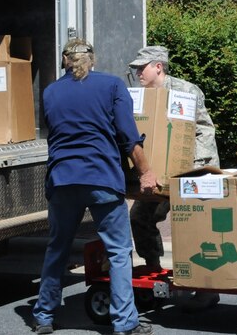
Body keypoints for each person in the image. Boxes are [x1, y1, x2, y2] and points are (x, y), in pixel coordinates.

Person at [32, 38, 156, 335]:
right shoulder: (112, 86)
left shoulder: (50, 92)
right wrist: (146, 172)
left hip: (63, 179)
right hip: (101, 177)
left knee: (57, 248)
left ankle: (44, 316)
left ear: (65, 61)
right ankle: (125, 322)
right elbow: (128, 136)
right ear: (93, 60)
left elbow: (54, 132)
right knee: (118, 250)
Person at [127, 45, 221, 310]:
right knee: (139, 217)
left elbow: (204, 130)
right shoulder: (141, 97)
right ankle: (153, 267)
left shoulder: (185, 91)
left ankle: (206, 288)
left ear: (158, 66)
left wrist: (194, 166)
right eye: (135, 69)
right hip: (160, 176)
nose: (137, 73)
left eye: (141, 68)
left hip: (193, 171)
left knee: (193, 228)